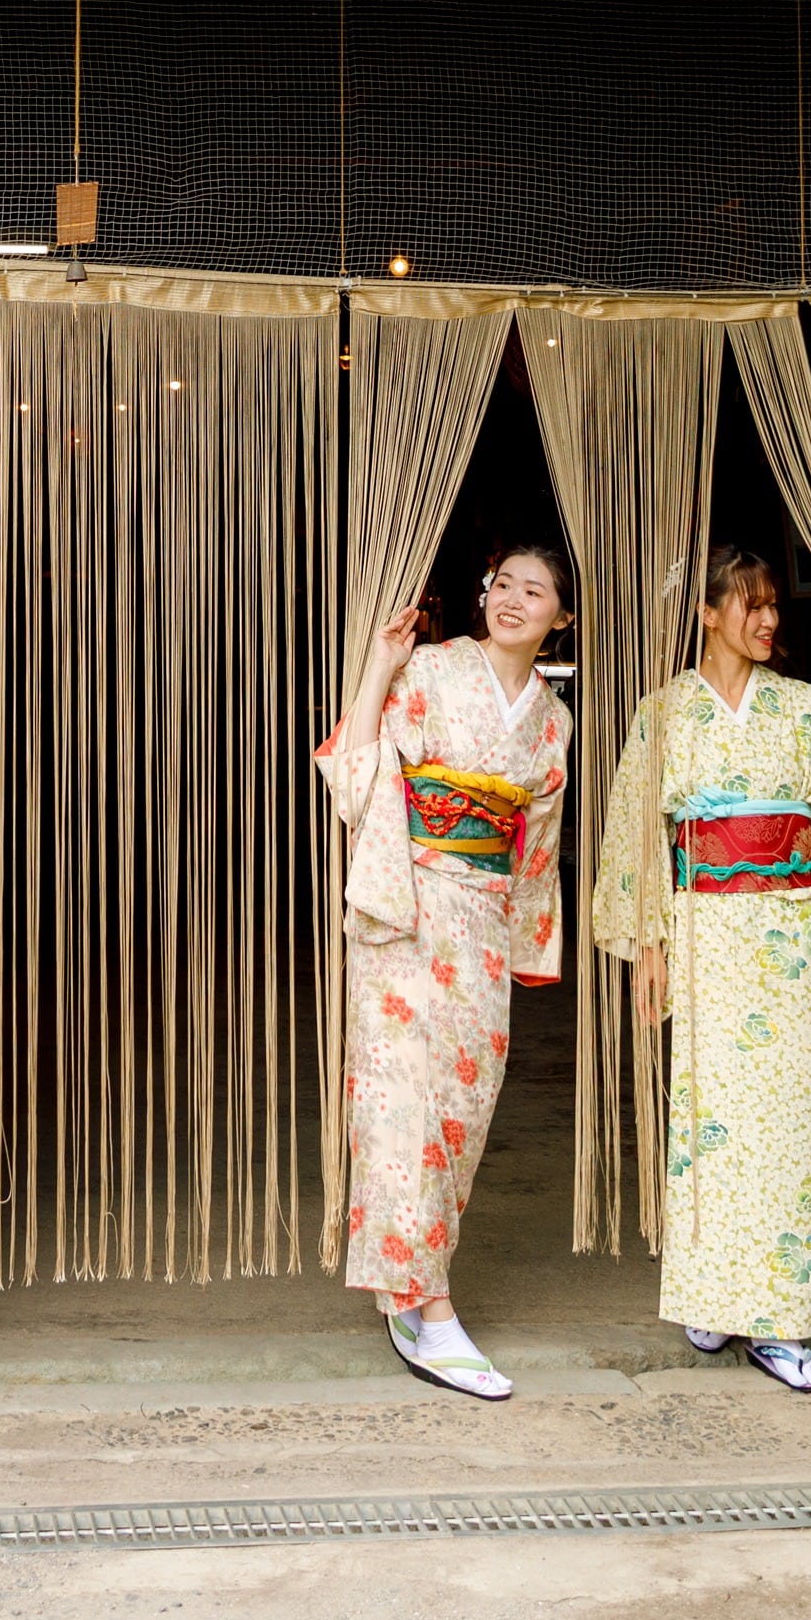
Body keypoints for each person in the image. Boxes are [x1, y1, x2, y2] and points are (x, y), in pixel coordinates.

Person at [588, 543, 811, 1392]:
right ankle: (712, 1294)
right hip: (703, 937)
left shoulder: (802, 710)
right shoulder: (663, 715)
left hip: (787, 937)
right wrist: (648, 939)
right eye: (750, 604)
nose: (767, 620)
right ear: (709, 613)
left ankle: (782, 1320)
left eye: (772, 606)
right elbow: (638, 834)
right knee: (708, 1122)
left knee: (795, 1127)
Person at [319, 545, 571, 1400]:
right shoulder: (432, 670)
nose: (512, 599)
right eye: (503, 583)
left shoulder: (552, 722)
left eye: (534, 591)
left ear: (559, 619)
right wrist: (382, 664)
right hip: (410, 905)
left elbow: (534, 849)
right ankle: (430, 1305)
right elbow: (359, 779)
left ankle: (410, 1280)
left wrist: (528, 940)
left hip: (484, 925)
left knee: (462, 1105)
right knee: (399, 1103)